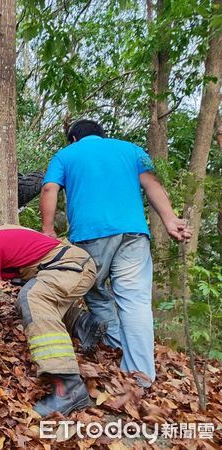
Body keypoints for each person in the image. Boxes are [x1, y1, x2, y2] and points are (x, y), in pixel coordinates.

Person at [40, 119, 192, 387]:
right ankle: (141, 375)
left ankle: (117, 344)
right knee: (135, 301)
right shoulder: (131, 150)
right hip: (133, 233)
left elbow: (49, 188)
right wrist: (170, 219)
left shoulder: (65, 155)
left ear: (74, 138)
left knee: (93, 290)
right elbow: (152, 184)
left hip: (90, 234)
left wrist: (48, 230)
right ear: (101, 135)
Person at [0, 221, 107, 416]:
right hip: (69, 264)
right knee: (39, 294)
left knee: (32, 297)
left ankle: (68, 387)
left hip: (71, 266)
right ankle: (84, 325)